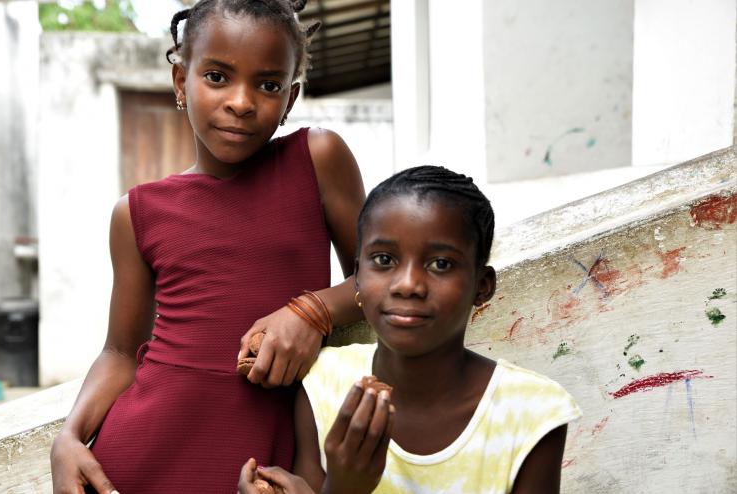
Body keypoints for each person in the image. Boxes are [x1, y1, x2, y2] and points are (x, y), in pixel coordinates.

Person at [50, 1, 366, 492]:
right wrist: (69, 437)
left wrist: (311, 311)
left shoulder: (317, 159)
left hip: (258, 466)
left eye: (267, 85)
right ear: (181, 82)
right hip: (137, 461)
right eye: (217, 77)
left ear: (290, 98)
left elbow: (380, 279)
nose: (241, 101)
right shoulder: (136, 212)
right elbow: (119, 352)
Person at [239, 166, 582, 494]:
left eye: (441, 264)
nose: (408, 285)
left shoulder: (531, 411)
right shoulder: (325, 383)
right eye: (385, 260)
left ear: (482, 285)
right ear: (357, 275)